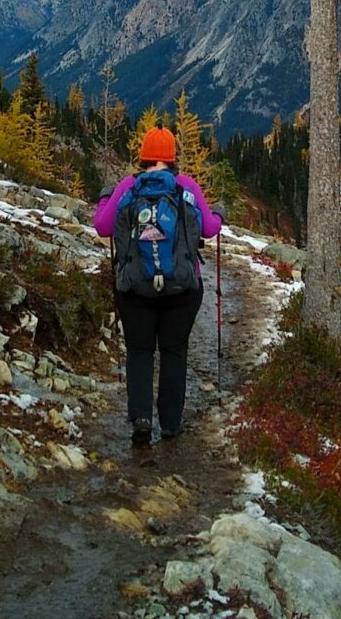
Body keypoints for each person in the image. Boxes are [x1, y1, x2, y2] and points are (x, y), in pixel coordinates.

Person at [94, 125, 221, 446]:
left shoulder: (128, 187)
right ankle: (170, 424)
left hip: (135, 288)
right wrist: (219, 214)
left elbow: (103, 226)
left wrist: (105, 199)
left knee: (139, 350)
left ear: (144, 156)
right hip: (181, 288)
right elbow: (208, 229)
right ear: (173, 157)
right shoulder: (185, 186)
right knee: (173, 351)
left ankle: (140, 419)